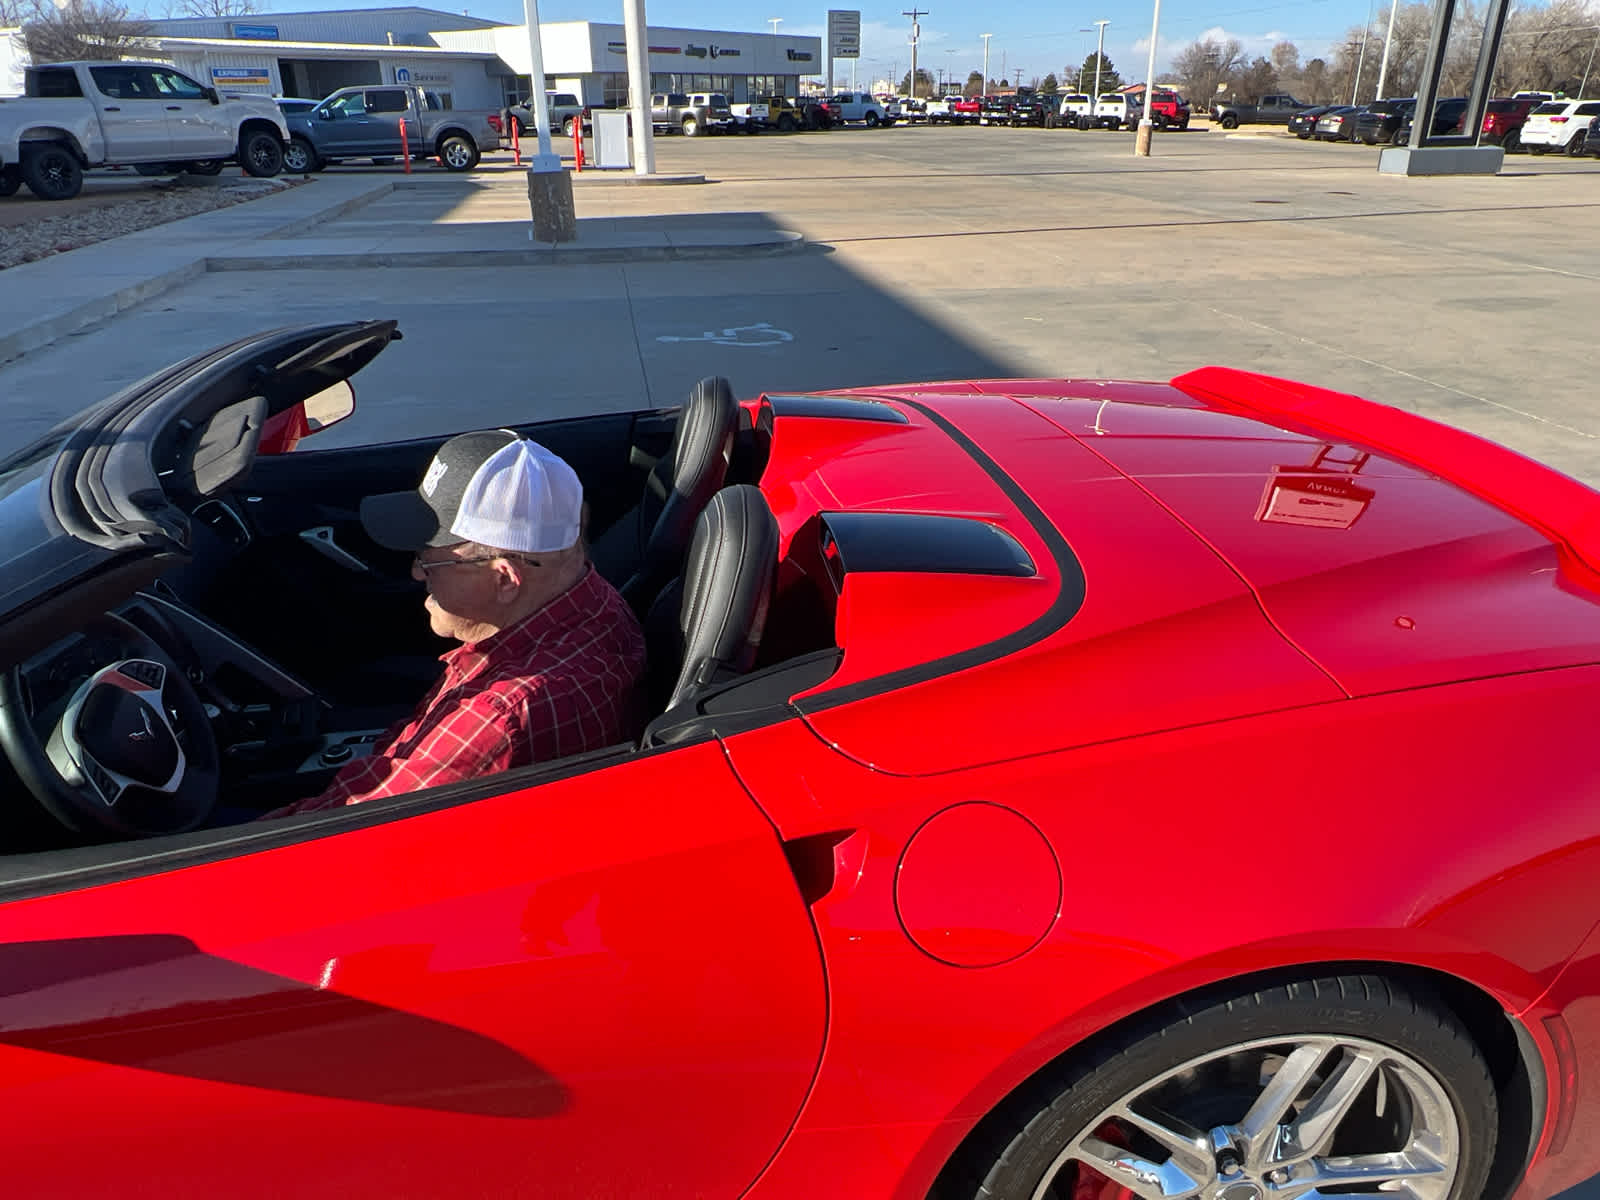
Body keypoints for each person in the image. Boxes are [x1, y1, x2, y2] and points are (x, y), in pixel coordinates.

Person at [266, 430, 645, 817]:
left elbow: (336, 840)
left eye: (427, 558)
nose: (416, 573)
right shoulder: (587, 595)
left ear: (503, 578)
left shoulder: (494, 720)